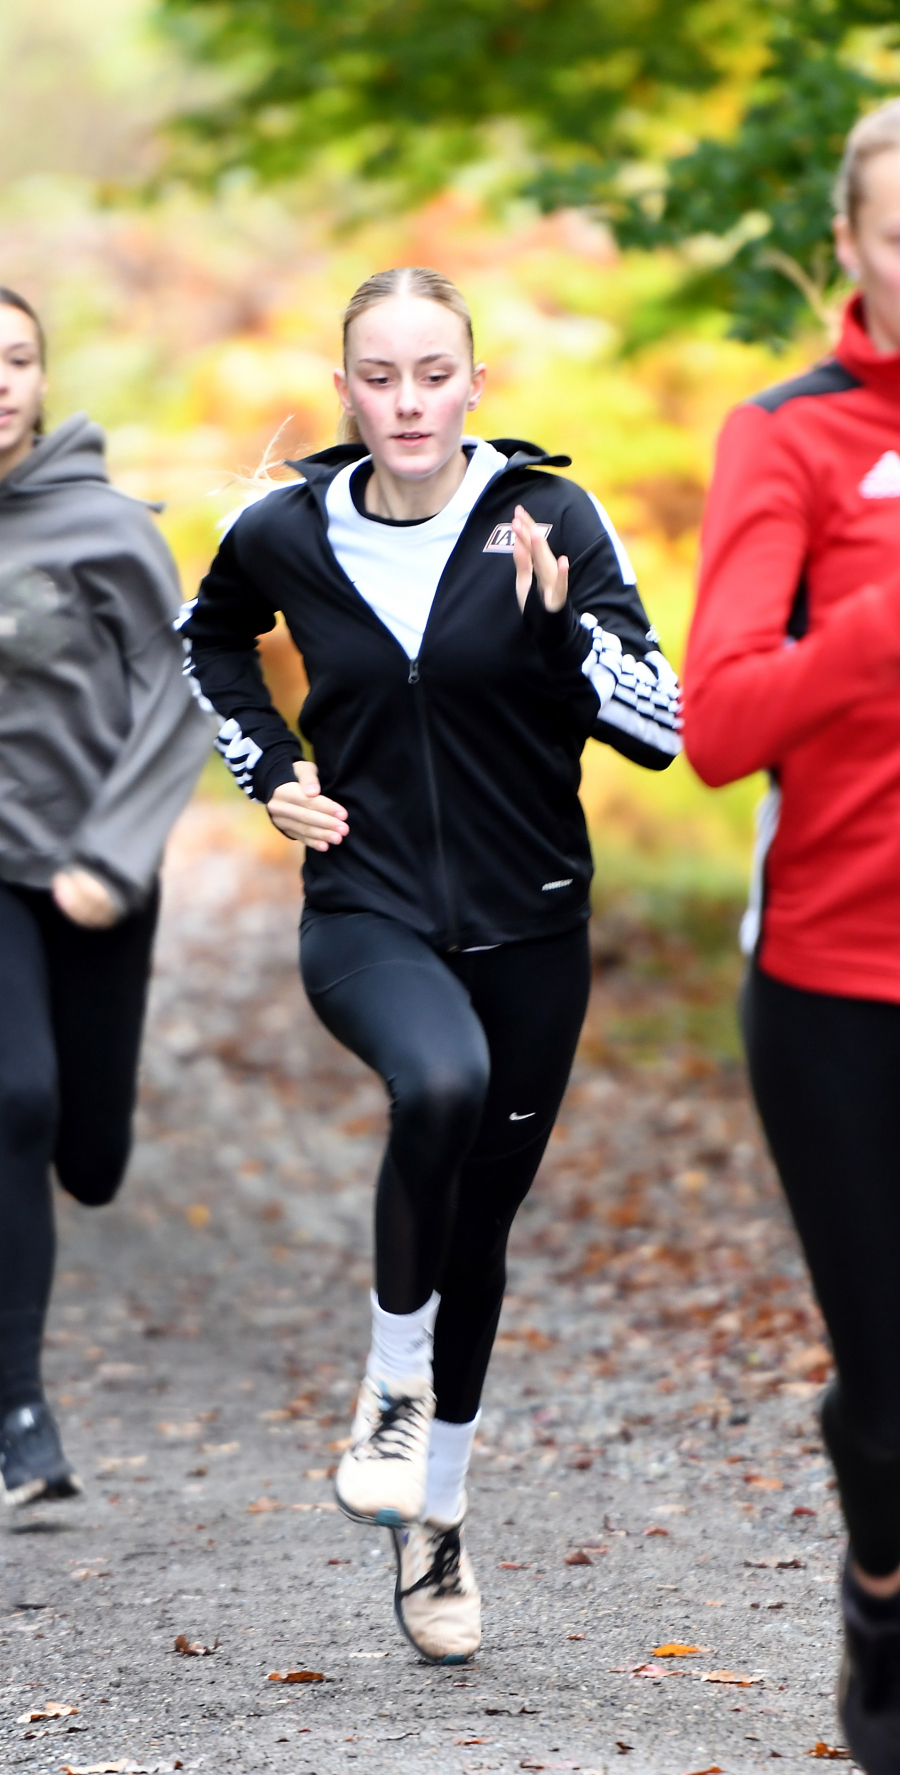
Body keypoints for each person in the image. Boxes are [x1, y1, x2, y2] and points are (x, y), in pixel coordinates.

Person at [185, 265, 680, 1663]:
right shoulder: (283, 529)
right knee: (438, 1082)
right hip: (368, 908)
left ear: (476, 384)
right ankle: (390, 1389)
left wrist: (563, 637)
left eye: (432, 374)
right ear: (346, 388)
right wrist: (270, 770)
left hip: (532, 925)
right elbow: (206, 641)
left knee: (482, 1225)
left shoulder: (550, 518)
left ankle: (437, 1517)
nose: (408, 400)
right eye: (380, 375)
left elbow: (665, 726)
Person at [683, 98, 900, 1775]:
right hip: (839, 976)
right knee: (892, 1384)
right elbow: (724, 719)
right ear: (849, 246)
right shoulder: (791, 437)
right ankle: (885, 1599)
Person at [0, 288, 212, 1507]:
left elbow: (178, 691)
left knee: (87, 1154)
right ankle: (18, 1411)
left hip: (92, 873)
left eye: (20, 359)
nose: (2, 379)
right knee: (12, 1102)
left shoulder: (105, 528)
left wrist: (114, 857)